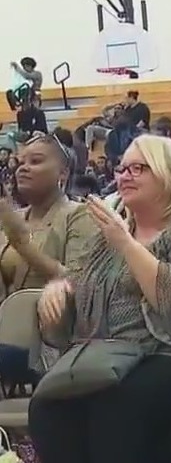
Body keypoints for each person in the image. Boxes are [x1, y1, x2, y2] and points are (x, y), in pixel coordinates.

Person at [29, 134, 171, 463]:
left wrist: (127, 245)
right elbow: (77, 281)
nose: (125, 175)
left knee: (116, 406)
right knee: (48, 406)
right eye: (122, 168)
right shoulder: (110, 233)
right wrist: (60, 291)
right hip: (107, 354)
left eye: (139, 168)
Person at [0, 133, 95, 387]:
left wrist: (23, 244)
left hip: (49, 344)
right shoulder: (11, 216)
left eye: (36, 161)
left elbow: (80, 282)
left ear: (62, 174)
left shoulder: (80, 215)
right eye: (20, 162)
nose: (23, 168)